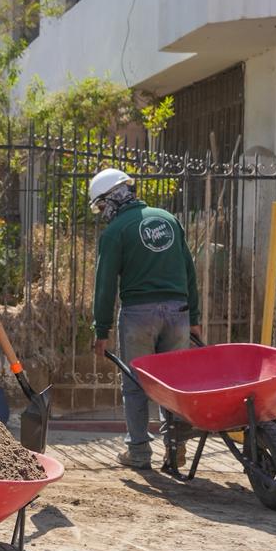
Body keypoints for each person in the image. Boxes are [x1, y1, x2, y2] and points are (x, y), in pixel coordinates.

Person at [88, 168, 201, 470]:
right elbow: (189, 271)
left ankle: (138, 453)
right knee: (173, 384)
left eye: (101, 206)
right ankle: (175, 449)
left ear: (111, 198)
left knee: (136, 385)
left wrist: (101, 330)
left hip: (139, 315)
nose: (102, 213)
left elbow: (105, 285)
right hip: (178, 312)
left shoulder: (114, 232)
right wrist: (195, 317)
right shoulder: (167, 218)